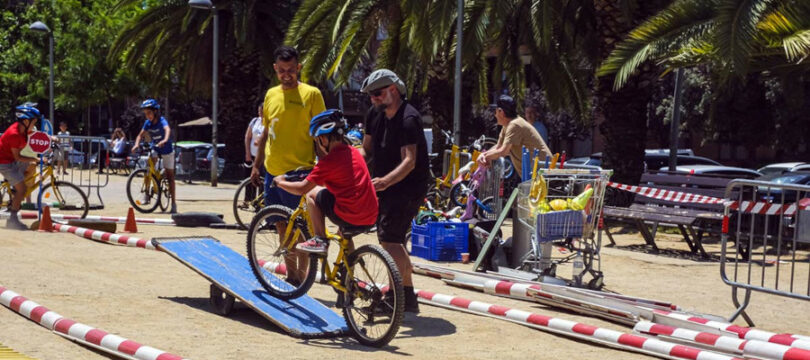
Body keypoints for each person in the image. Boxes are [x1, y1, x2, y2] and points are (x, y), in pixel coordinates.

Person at [250, 46, 326, 285]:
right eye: (282, 71)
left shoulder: (312, 94)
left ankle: (302, 280)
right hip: (273, 172)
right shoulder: (271, 94)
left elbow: (323, 134)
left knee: (302, 230)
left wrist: (327, 166)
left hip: (300, 173)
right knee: (281, 226)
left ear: (298, 67)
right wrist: (256, 165)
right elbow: (265, 134)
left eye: (291, 70)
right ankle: (291, 276)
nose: (286, 75)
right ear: (275, 69)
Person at [359, 69, 430, 313]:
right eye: (370, 95)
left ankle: (398, 298)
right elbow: (366, 150)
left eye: (377, 94)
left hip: (409, 186)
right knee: (393, 240)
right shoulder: (374, 114)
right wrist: (352, 167)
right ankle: (406, 298)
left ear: (393, 90)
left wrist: (386, 181)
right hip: (386, 185)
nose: (374, 99)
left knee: (390, 239)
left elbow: (409, 160)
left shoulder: (408, 118)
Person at [273, 109, 378, 256]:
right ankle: (349, 273)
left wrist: (280, 182)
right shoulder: (355, 152)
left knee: (311, 194)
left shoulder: (328, 162)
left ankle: (320, 240)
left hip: (351, 216)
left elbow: (301, 189)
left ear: (323, 138)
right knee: (342, 234)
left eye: (317, 141)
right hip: (371, 216)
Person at [478, 95, 552, 179]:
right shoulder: (507, 126)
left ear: (500, 111)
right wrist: (484, 155)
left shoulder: (515, 125)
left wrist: (484, 157)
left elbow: (503, 151)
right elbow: (498, 147)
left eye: (495, 112)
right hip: (533, 175)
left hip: (544, 173)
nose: (495, 115)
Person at [131, 99, 177, 213]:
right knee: (148, 168)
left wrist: (165, 140)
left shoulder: (162, 121)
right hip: (156, 147)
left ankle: (174, 204)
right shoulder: (148, 123)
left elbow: (167, 130)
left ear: (155, 112)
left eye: (149, 113)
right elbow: (140, 135)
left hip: (167, 149)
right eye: (146, 114)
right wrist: (136, 144)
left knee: (170, 176)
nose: (147, 116)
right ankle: (147, 194)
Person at [0, 105, 41, 230]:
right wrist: (35, 158)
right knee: (22, 189)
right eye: (34, 121)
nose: (35, 124)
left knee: (30, 166)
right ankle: (12, 219)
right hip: (4, 163)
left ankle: (14, 190)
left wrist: (51, 139)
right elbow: (18, 157)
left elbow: (35, 134)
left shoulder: (23, 129)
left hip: (11, 160)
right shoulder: (15, 134)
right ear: (26, 121)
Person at [241, 102, 265, 207]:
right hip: (252, 154)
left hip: (264, 156)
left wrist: (260, 141)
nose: (260, 114)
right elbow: (248, 136)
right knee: (249, 178)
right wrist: (247, 153)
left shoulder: (270, 123)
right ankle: (247, 200)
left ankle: (260, 202)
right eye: (259, 111)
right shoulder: (255, 121)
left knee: (262, 180)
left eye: (262, 112)